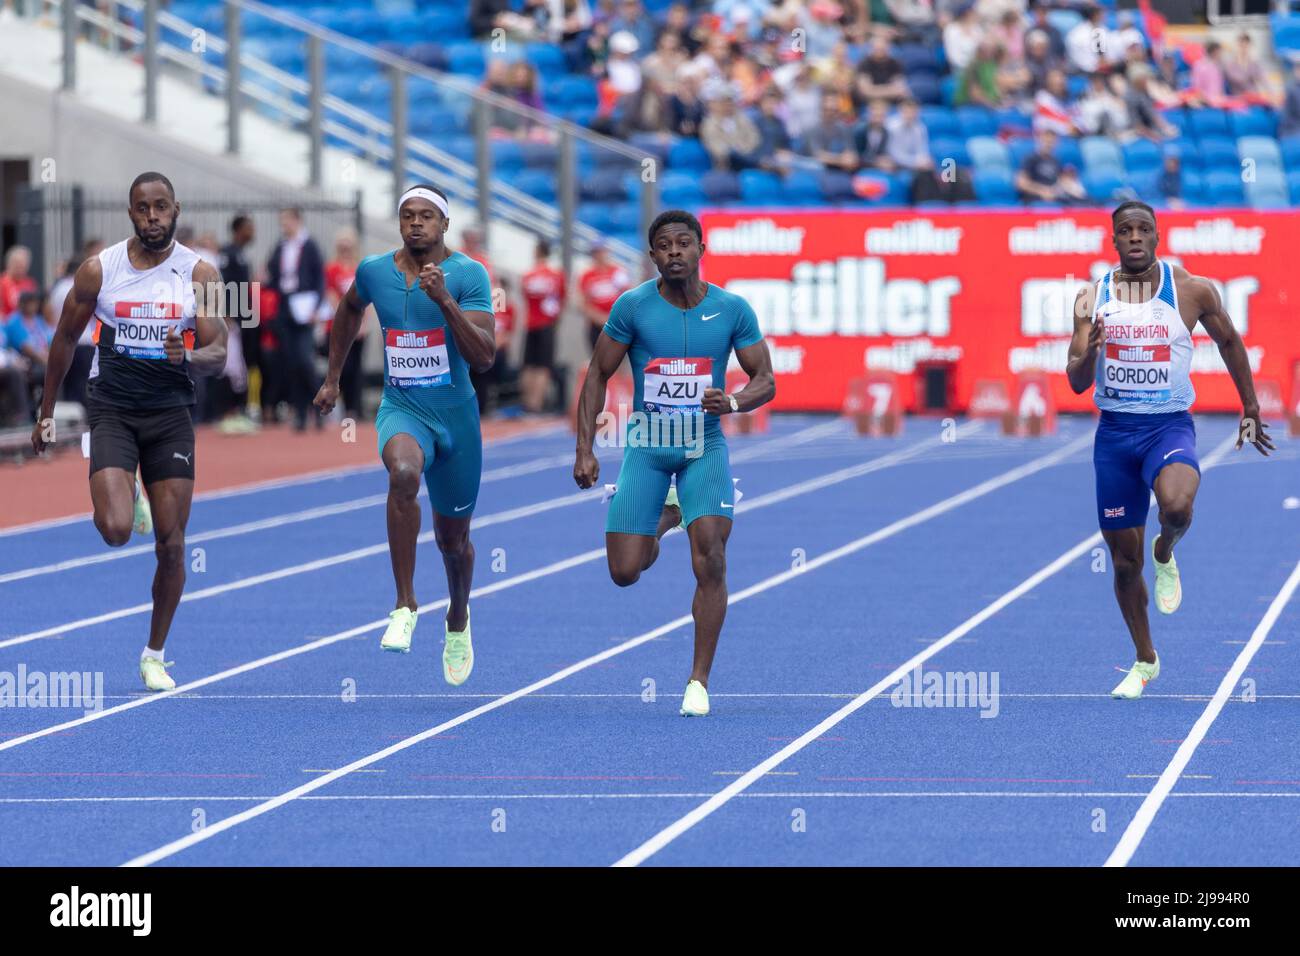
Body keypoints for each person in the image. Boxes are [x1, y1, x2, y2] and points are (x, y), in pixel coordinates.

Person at [1065, 201, 1273, 700]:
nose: (1134, 238)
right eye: (1124, 231)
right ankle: (1144, 660)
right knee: (1122, 564)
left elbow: (1230, 342)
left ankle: (1167, 549)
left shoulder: (1192, 290)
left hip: (1168, 428)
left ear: (1157, 237)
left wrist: (1250, 406)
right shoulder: (1090, 297)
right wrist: (1090, 351)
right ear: (1112, 240)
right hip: (1115, 436)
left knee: (1177, 507)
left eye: (1143, 230)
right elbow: (1074, 381)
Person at [30, 171, 228, 692]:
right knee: (116, 530)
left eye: (161, 207)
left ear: (176, 209)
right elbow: (64, 340)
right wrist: (46, 411)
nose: (153, 217)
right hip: (113, 410)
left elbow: (219, 353)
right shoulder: (101, 270)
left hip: (170, 415)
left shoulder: (199, 274)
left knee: (171, 543)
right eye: (143, 208)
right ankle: (124, 486)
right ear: (130, 213)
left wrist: (189, 353)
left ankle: (154, 653)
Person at [573, 209, 776, 717]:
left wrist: (731, 403)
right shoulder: (632, 307)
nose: (674, 253)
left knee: (710, 555)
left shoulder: (732, 310)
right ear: (652, 256)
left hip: (704, 446)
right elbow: (597, 374)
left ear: (701, 250)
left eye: (684, 243)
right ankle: (664, 517)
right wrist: (584, 449)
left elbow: (765, 379)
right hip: (647, 444)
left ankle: (698, 682)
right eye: (664, 246)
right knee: (625, 571)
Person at [313, 185, 495, 685]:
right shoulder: (374, 271)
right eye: (408, 216)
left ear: (444, 225)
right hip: (403, 408)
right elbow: (349, 310)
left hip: (455, 416)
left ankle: (457, 617)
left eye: (427, 217)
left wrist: (445, 302)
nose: (417, 224)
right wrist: (333, 378)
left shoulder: (468, 275)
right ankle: (405, 603)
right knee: (403, 473)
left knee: (452, 541)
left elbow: (484, 357)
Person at [266, 207, 325, 431]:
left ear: (297, 220)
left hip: (305, 307)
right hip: (285, 306)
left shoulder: (309, 245)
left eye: (287, 221)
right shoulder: (281, 246)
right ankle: (300, 413)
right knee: (291, 363)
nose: (284, 226)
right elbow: (274, 275)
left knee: (304, 360)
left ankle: (319, 404)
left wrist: (317, 307)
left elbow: (319, 278)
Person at [323, 228, 368, 421]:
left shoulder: (359, 268)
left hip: (359, 328)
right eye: (342, 244)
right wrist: (344, 323)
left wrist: (363, 325)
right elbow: (331, 297)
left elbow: (368, 298)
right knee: (342, 367)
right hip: (338, 327)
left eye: (348, 243)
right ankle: (335, 405)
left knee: (356, 369)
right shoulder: (332, 269)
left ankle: (353, 409)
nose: (345, 247)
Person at [519, 238, 565, 414]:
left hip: (531, 323)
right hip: (547, 324)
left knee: (528, 365)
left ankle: (527, 403)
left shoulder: (527, 275)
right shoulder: (556, 275)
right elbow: (561, 300)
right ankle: (536, 405)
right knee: (543, 366)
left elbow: (525, 296)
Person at [578, 239, 632, 352]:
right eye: (595, 252)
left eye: (601, 252)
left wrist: (614, 317)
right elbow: (583, 303)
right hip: (596, 325)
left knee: (618, 359)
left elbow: (628, 297)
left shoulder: (617, 272)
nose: (598, 255)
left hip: (616, 323)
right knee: (597, 359)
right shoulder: (587, 276)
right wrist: (600, 318)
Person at [0, 245, 37, 317]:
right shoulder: (2, 283)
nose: (21, 269)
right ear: (9, 264)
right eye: (18, 265)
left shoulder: (30, 283)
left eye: (23, 266)